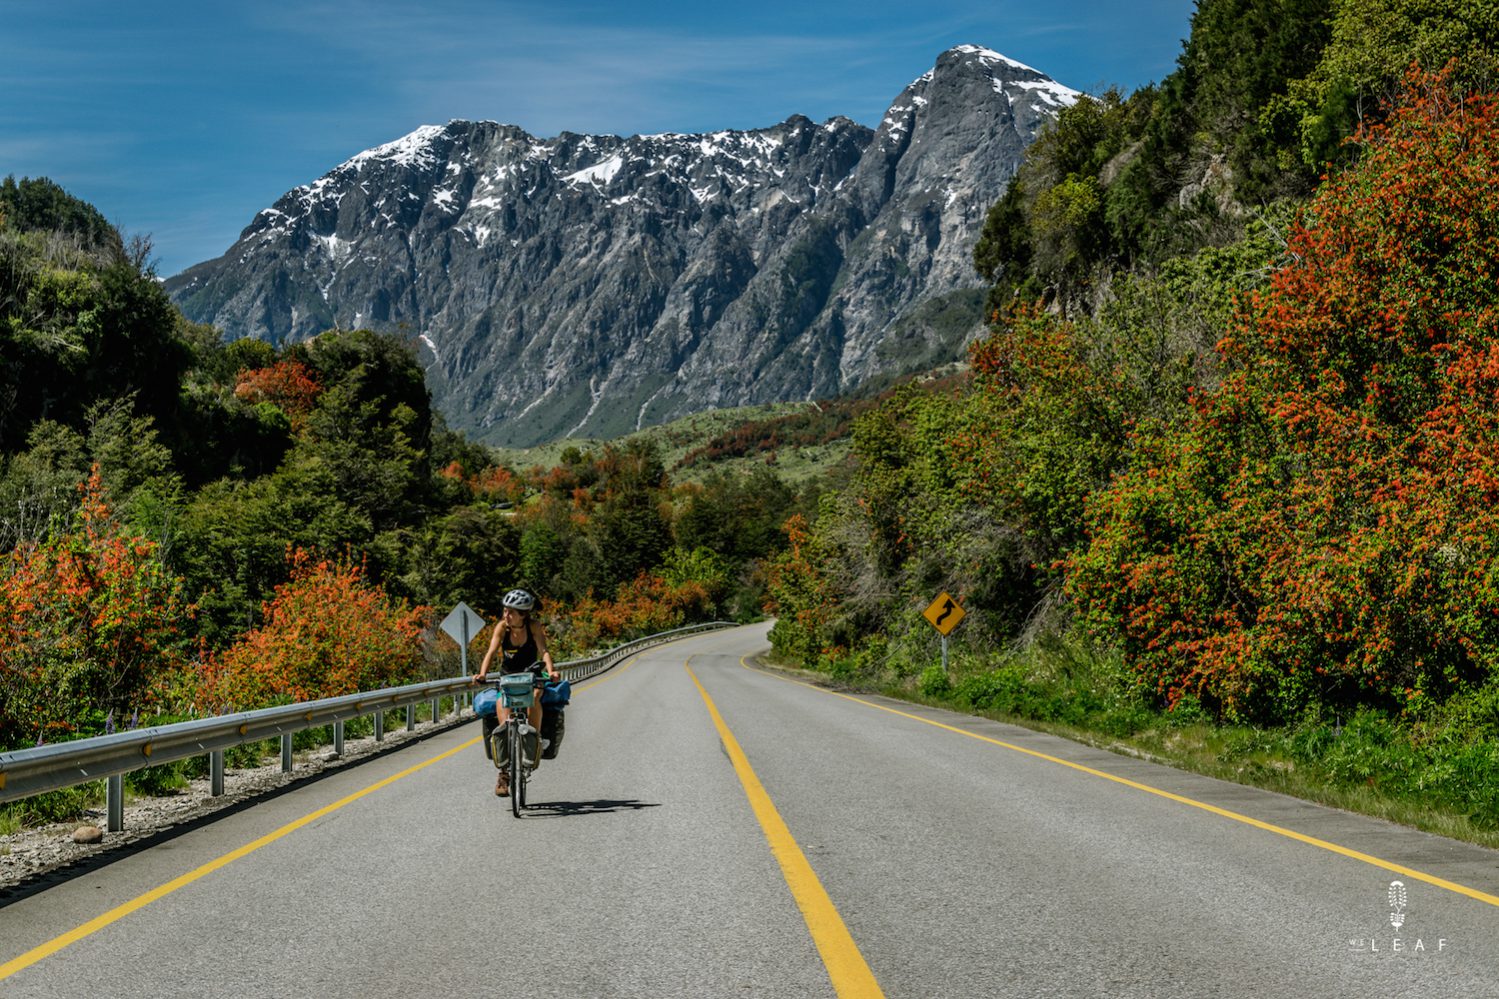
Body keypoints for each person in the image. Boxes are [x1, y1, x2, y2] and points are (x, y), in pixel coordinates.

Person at [474, 588, 559, 796]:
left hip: (531, 675)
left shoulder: (533, 626)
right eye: (505, 611)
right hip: (508, 676)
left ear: (523, 614)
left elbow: (543, 650)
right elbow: (491, 651)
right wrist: (482, 674)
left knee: (535, 698)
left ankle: (534, 740)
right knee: (502, 702)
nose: (506, 615)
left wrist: (551, 671)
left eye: (511, 612)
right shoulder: (502, 628)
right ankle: (504, 772)